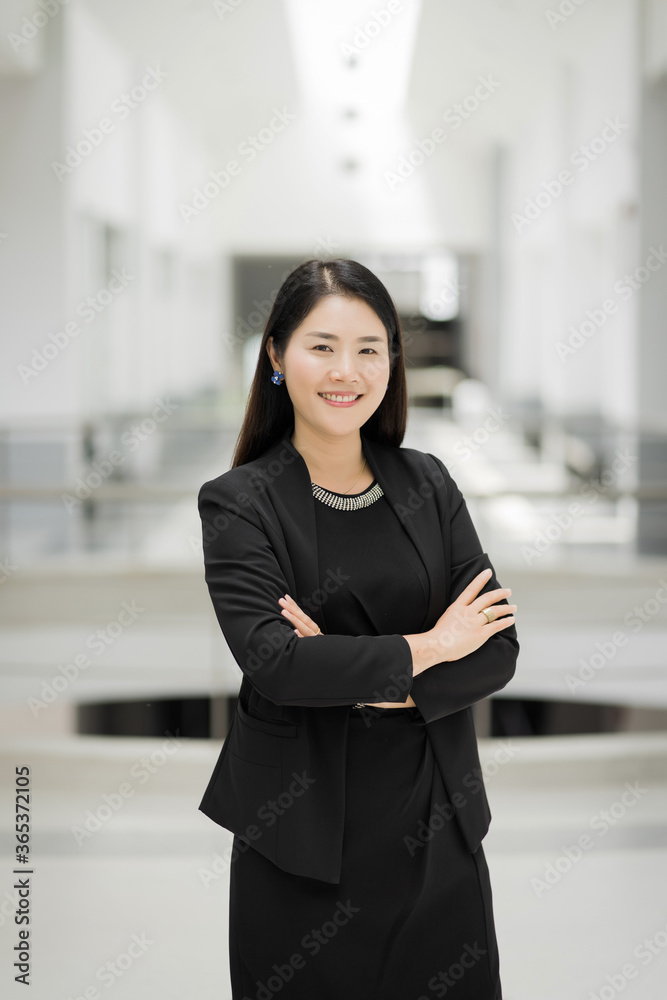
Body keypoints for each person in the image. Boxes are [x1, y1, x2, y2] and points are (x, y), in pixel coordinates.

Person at [197, 258, 519, 999]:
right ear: (276, 356)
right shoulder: (241, 503)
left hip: (436, 827)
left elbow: (497, 648)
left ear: (391, 362)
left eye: (369, 348)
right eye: (321, 346)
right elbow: (276, 663)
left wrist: (369, 678)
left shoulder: (428, 483)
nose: (347, 371)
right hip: (300, 841)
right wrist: (433, 647)